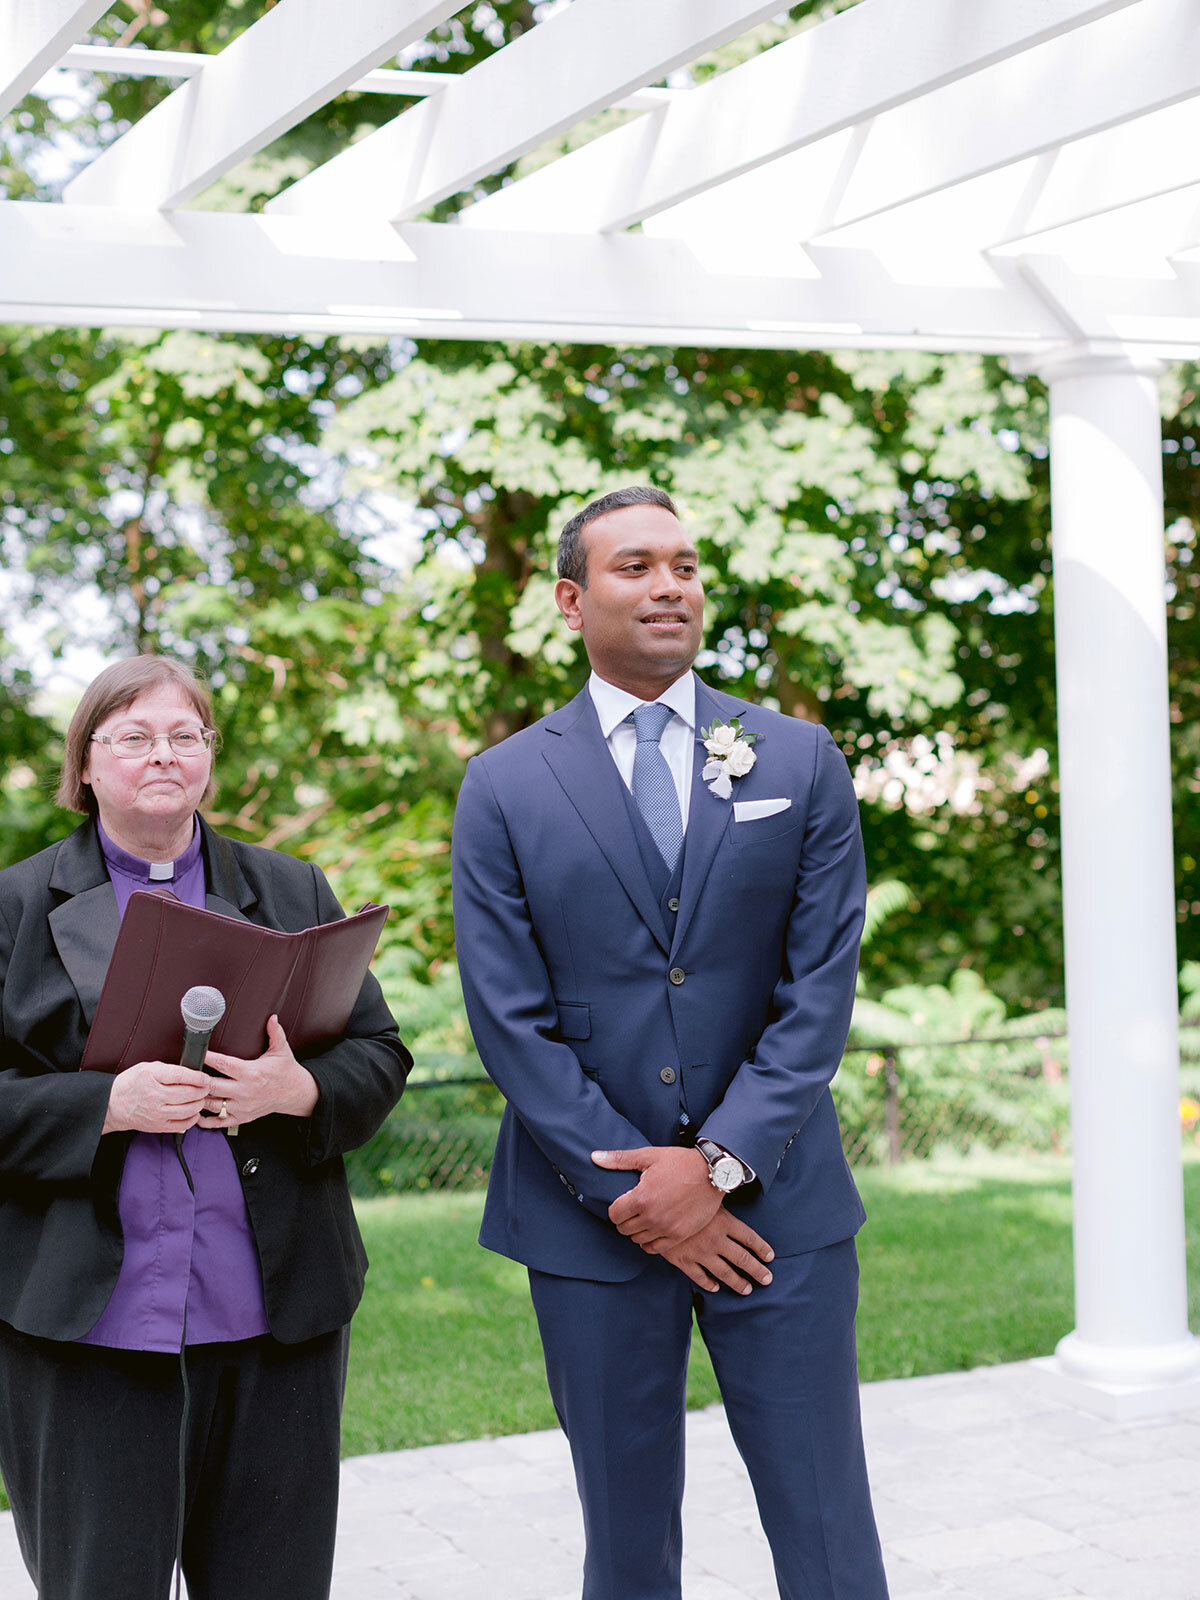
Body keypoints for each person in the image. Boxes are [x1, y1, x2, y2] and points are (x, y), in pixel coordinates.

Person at [452, 485, 889, 1600]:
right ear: (569, 598)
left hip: (777, 1210)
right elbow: (510, 1016)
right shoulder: (503, 784)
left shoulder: (796, 759)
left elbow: (818, 990)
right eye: (636, 566)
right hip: (589, 1221)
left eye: (686, 566)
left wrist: (722, 1166)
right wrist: (645, 1197)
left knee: (826, 1523)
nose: (669, 587)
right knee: (628, 1537)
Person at [0, 654, 411, 1600]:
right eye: (135, 736)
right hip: (90, 1329)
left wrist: (294, 1090)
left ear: (209, 760)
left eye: (187, 735)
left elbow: (379, 1053)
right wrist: (105, 1105)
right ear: (88, 761)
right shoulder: (15, 909)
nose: (164, 755)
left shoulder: (291, 887)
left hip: (274, 1319)